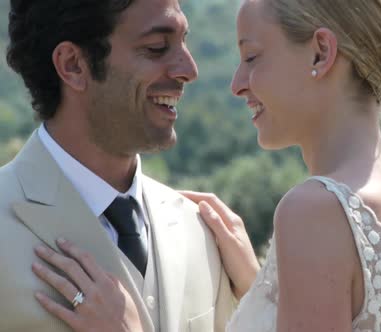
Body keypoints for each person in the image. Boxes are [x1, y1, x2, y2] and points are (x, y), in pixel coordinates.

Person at [32, 0, 381, 331]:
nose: (237, 84)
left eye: (251, 58)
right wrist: (263, 290)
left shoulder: (315, 211)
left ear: (321, 53)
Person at [1, 0, 259, 331]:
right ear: (73, 65)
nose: (189, 70)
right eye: (157, 47)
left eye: (184, 42)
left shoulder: (204, 233)